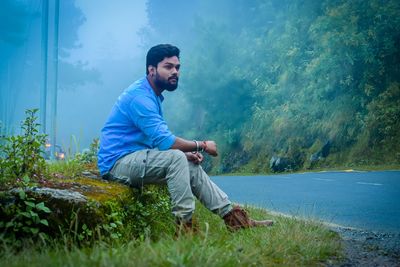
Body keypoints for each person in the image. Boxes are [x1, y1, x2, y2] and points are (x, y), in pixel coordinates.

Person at [98, 44, 273, 233]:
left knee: (188, 162)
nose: (175, 72)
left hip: (136, 157)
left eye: (177, 67)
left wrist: (188, 153)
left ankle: (234, 219)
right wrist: (202, 145)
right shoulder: (140, 98)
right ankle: (185, 228)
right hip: (117, 163)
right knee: (177, 157)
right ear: (151, 70)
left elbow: (159, 142)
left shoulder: (152, 94)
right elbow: (166, 142)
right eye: (168, 67)